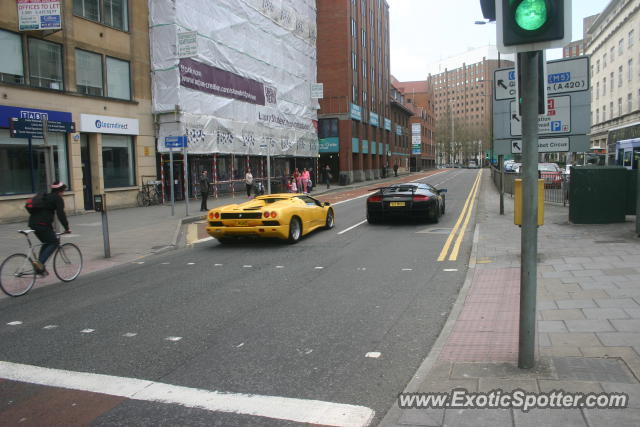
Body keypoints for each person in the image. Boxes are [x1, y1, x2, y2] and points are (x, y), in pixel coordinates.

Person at [27, 181, 71, 276]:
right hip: (42, 224)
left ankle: (40, 268)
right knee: (54, 242)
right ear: (60, 191)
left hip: (33, 223)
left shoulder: (45, 197)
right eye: (63, 191)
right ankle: (39, 263)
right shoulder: (57, 198)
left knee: (47, 242)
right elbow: (61, 214)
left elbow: (45, 213)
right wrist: (67, 228)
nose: (63, 193)